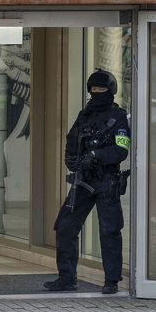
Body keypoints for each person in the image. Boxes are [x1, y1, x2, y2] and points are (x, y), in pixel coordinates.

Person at [44, 69, 130, 295]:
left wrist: (96, 156)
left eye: (102, 89)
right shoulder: (85, 115)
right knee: (64, 226)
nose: (97, 93)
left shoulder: (118, 117)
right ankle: (66, 278)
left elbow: (121, 149)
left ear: (110, 90)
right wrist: (72, 160)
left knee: (109, 231)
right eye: (94, 89)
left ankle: (111, 280)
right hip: (83, 181)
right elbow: (72, 139)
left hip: (106, 181)